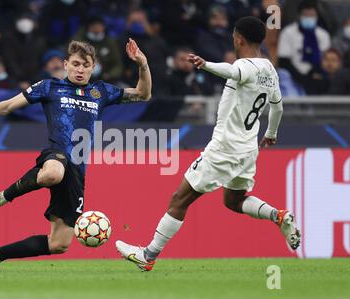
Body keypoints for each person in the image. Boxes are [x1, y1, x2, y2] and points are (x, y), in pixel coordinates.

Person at [0, 39, 152, 271]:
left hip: (77, 171)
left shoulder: (100, 92)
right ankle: (2, 196)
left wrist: (142, 64)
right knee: (52, 173)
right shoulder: (49, 87)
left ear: (93, 67)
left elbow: (143, 94)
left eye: (86, 65)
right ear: (66, 64)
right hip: (57, 153)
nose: (80, 69)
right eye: (75, 64)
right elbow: (6, 106)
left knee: (59, 244)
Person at [116, 17, 301, 272]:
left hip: (225, 147)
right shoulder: (269, 69)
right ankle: (277, 216)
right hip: (247, 150)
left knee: (179, 199)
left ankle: (148, 256)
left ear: (238, 38)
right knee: (234, 201)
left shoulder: (244, 65)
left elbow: (233, 71)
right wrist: (271, 133)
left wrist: (205, 65)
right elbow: (278, 107)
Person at [278, 0, 331, 94]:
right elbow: (283, 61)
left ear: (317, 16)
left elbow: (324, 60)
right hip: (292, 77)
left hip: (314, 76)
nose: (309, 18)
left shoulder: (323, 35)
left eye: (312, 15)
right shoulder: (288, 32)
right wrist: (301, 78)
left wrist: (310, 76)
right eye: (306, 15)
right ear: (299, 16)